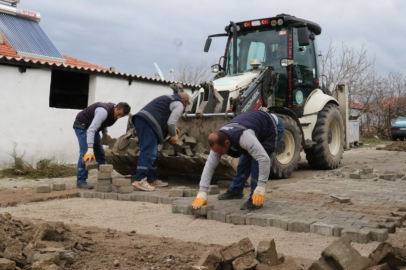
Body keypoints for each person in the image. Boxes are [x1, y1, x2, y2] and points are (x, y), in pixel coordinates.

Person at [192, 110, 285, 210]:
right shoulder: (219, 140)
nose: (219, 154)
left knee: (256, 161)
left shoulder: (243, 137)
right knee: (244, 160)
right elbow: (210, 165)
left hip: (272, 126)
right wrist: (202, 192)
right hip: (254, 128)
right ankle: (235, 191)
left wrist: (261, 187)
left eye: (220, 151)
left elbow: (264, 159)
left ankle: (255, 198)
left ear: (227, 143)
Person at [132, 91, 190, 191]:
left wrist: (171, 129)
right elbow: (171, 123)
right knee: (148, 151)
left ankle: (152, 179)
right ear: (184, 101)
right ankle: (140, 180)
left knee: (153, 153)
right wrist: (174, 136)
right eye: (186, 104)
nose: (184, 107)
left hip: (143, 120)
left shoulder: (168, 98)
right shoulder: (179, 104)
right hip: (147, 122)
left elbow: (163, 115)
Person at [73, 102, 131, 189]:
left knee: (100, 152)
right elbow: (91, 130)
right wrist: (90, 148)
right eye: (119, 114)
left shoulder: (114, 114)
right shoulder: (102, 111)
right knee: (85, 152)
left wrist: (105, 134)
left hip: (92, 128)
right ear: (116, 108)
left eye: (121, 116)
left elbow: (104, 122)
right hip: (82, 125)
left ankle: (105, 177)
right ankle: (81, 181)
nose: (118, 117)